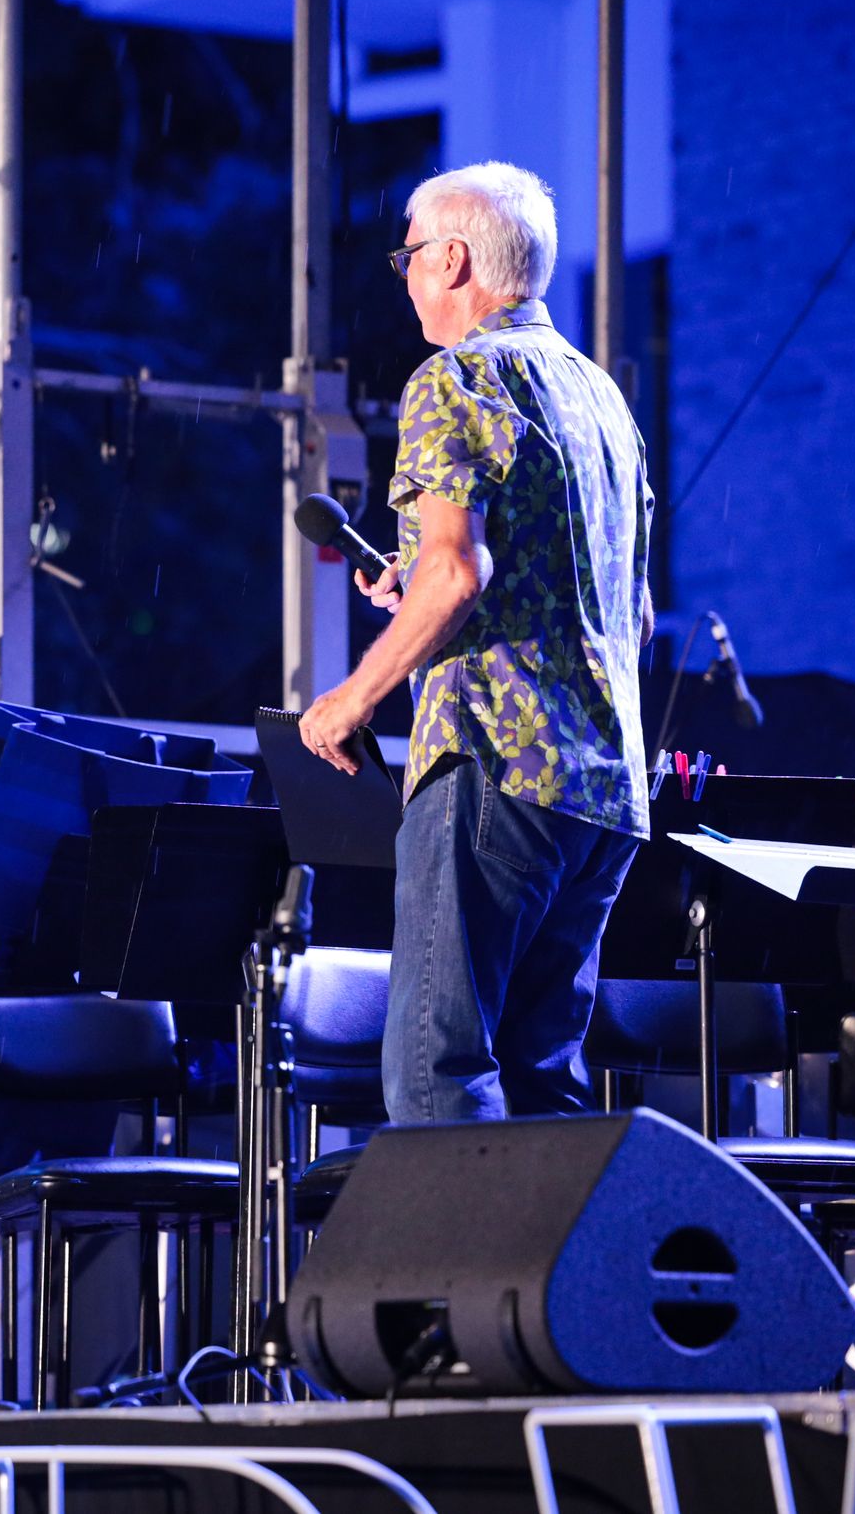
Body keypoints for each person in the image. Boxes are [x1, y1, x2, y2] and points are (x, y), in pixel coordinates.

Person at [297, 162, 654, 1123]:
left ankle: (454, 1237)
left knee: (436, 1070)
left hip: (497, 759)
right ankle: (558, 1236)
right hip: (604, 789)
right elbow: (630, 612)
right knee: (544, 1084)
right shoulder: (602, 399)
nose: (406, 276)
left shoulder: (458, 377)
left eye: (409, 255)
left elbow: (458, 573)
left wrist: (352, 698)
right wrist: (421, 580)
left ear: (453, 260)